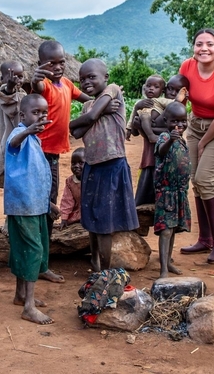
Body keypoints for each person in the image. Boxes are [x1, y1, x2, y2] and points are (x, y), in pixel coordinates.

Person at [31, 40, 92, 283]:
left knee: (49, 204)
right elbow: (36, 87)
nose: (57, 67)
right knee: (44, 205)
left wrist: (106, 96)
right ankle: (41, 262)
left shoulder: (67, 84)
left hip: (53, 155)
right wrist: (35, 78)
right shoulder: (43, 85)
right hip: (39, 154)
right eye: (51, 63)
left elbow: (87, 98)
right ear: (41, 65)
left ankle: (42, 260)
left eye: (61, 62)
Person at [70, 59, 139, 271]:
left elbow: (87, 119)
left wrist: (94, 114)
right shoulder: (87, 104)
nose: (86, 82)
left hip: (112, 165)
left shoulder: (113, 90)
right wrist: (101, 111)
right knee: (92, 219)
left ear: (105, 77)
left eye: (92, 77)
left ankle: (106, 272)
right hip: (92, 166)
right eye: (82, 79)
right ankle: (95, 263)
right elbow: (75, 131)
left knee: (105, 224)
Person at [178, 28, 214, 264]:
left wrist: (203, 143)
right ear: (193, 47)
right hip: (194, 127)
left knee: (205, 180)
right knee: (195, 181)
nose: (204, 48)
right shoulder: (187, 67)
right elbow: (180, 96)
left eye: (210, 44)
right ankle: (205, 239)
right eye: (199, 44)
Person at [4, 94, 55, 325]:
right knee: (33, 251)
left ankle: (21, 294)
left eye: (44, 113)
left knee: (26, 249)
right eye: (36, 113)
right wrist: (28, 130)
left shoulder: (35, 141)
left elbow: (37, 178)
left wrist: (49, 204)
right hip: (24, 207)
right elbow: (13, 143)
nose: (41, 117)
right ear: (23, 116)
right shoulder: (19, 134)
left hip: (35, 206)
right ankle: (29, 306)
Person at [131, 74, 189, 206]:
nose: (172, 93)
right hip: (149, 160)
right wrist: (136, 109)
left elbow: (164, 134)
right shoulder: (155, 105)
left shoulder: (177, 110)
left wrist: (144, 128)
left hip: (166, 162)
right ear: (164, 90)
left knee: (165, 202)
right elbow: (135, 131)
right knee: (142, 202)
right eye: (170, 89)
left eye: (177, 91)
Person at [153, 102, 191, 278]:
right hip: (166, 193)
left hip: (179, 192)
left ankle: (168, 261)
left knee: (173, 228)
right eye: (175, 121)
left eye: (183, 121)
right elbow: (161, 152)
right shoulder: (164, 137)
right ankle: (163, 270)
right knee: (166, 230)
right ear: (166, 121)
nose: (180, 125)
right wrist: (170, 140)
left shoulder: (183, 140)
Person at [0, 60, 27, 188]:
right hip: (12, 145)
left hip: (23, 143)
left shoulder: (22, 94)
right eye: (12, 76)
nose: (16, 80)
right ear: (2, 79)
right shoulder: (4, 93)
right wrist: (10, 87)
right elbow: (11, 107)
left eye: (20, 76)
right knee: (15, 182)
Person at [58, 147, 85, 229]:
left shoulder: (93, 179)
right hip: (78, 214)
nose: (76, 166)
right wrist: (64, 218)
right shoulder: (70, 182)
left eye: (81, 163)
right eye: (73, 163)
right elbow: (67, 200)